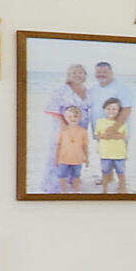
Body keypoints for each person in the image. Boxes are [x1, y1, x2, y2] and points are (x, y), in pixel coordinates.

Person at [43, 63, 91, 194]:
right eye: (74, 72)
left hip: (81, 125)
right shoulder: (62, 89)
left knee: (76, 151)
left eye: (80, 72)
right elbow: (51, 106)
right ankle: (55, 182)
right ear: (69, 75)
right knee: (61, 150)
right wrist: (62, 121)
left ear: (85, 75)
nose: (77, 75)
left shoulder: (86, 89)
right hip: (64, 125)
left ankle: (73, 180)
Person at [52, 101, 90, 193]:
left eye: (75, 116)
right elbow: (58, 145)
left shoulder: (83, 131)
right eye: (69, 116)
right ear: (65, 118)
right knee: (61, 175)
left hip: (77, 158)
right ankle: (63, 191)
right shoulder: (62, 130)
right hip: (63, 158)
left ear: (80, 117)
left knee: (76, 176)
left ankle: (76, 191)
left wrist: (87, 158)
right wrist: (56, 158)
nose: (73, 118)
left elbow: (85, 146)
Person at [94, 97, 129, 194]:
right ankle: (105, 190)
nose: (111, 111)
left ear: (119, 111)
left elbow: (124, 136)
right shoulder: (99, 122)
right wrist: (104, 135)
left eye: (114, 109)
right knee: (105, 171)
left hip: (119, 153)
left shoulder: (122, 123)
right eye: (108, 109)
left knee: (121, 171)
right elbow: (97, 135)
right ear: (104, 109)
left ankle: (122, 188)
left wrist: (114, 135)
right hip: (105, 152)